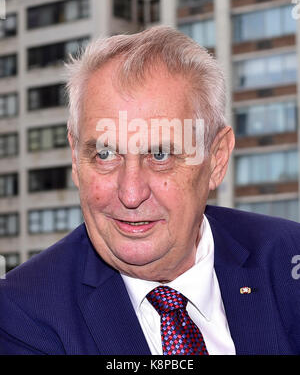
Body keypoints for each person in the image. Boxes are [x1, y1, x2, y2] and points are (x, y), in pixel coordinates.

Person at [0, 25, 300, 355]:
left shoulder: (290, 262)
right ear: (75, 158)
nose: (130, 194)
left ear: (216, 159)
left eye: (160, 155)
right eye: (105, 154)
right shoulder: (22, 312)